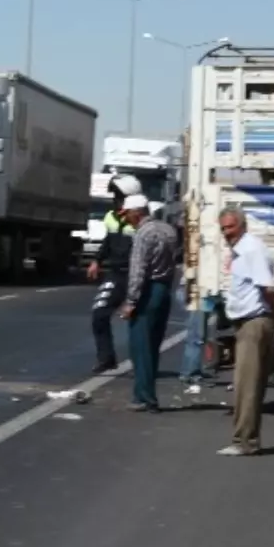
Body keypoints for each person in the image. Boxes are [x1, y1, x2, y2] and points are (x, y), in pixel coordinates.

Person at [215, 205, 274, 456]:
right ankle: (245, 439)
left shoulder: (252, 249)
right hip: (246, 323)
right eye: (223, 229)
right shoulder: (240, 251)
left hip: (255, 323)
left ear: (243, 226)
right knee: (248, 385)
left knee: (247, 386)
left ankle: (245, 442)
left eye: (230, 227)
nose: (226, 233)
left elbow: (267, 288)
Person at [119, 193, 178, 412]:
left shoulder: (143, 234)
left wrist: (131, 301)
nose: (126, 219)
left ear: (137, 213)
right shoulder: (168, 230)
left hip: (148, 291)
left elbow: (138, 270)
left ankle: (146, 397)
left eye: (127, 214)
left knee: (140, 347)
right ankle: (142, 394)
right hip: (163, 290)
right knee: (152, 346)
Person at [88, 174, 142, 374]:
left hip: (136, 275)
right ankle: (106, 358)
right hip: (116, 273)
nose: (114, 200)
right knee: (99, 313)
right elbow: (108, 241)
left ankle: (142, 361)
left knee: (138, 320)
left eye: (118, 196)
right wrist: (97, 261)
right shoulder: (111, 216)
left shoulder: (139, 218)